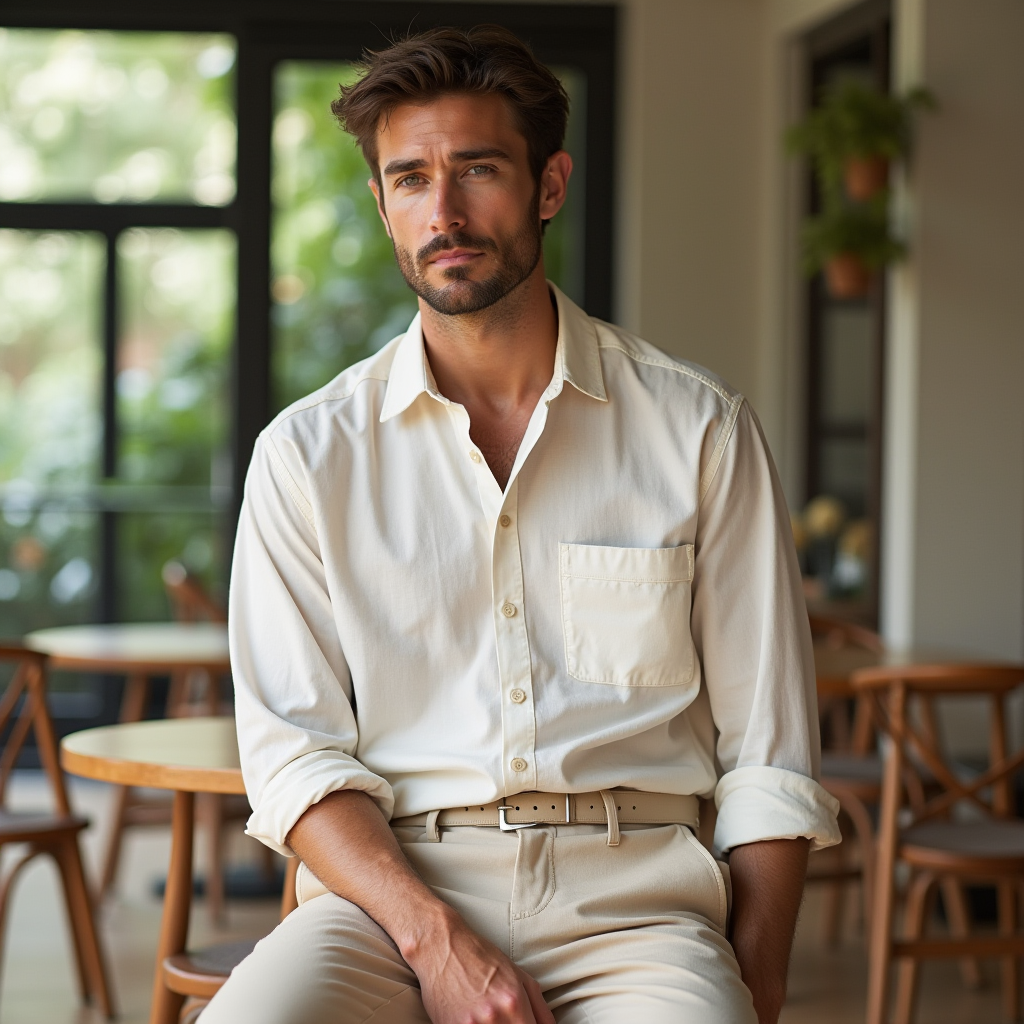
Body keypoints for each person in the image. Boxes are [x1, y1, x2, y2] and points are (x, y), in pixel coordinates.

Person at [202, 25, 839, 1024]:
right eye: (409, 178)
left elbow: (770, 755)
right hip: (387, 903)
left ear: (549, 185)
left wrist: (751, 991)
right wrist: (434, 938)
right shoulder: (309, 454)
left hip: (636, 908)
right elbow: (294, 755)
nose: (443, 211)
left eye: (478, 170)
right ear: (380, 204)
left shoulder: (696, 428)